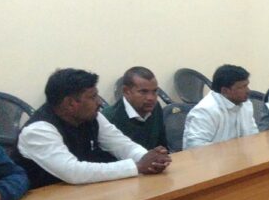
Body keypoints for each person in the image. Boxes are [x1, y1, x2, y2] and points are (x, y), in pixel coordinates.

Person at [16, 68, 171, 188]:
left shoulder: (92, 117)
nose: (99, 102)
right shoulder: (37, 131)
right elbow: (73, 172)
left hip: (80, 193)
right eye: (92, 97)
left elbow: (121, 144)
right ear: (70, 103)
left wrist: (150, 159)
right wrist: (137, 166)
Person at [183, 64, 258, 149]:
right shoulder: (205, 111)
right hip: (212, 157)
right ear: (225, 91)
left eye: (247, 85)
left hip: (240, 155)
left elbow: (253, 135)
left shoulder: (246, 104)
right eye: (242, 87)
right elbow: (195, 147)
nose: (248, 91)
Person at [102, 66, 169, 149]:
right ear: (126, 91)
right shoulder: (109, 118)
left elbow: (162, 145)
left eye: (154, 91)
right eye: (143, 92)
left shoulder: (155, 107)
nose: (151, 98)